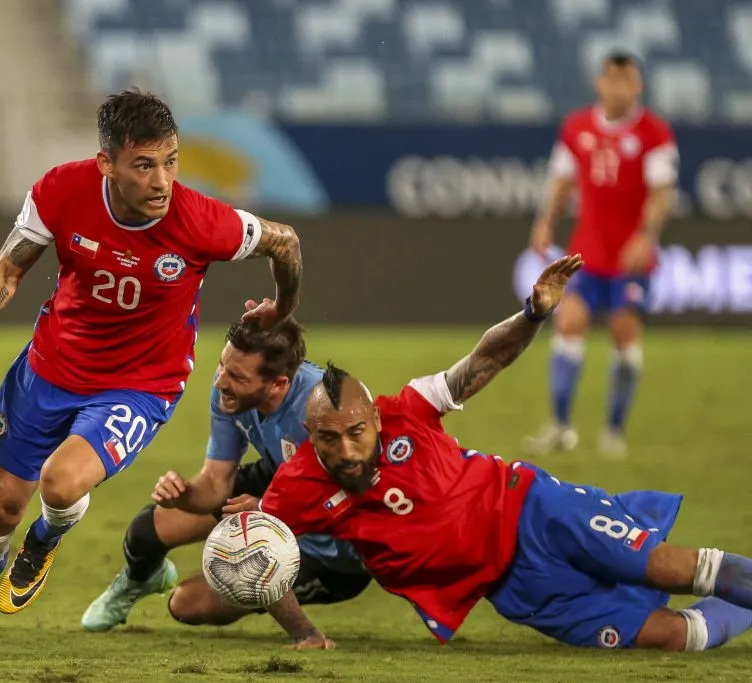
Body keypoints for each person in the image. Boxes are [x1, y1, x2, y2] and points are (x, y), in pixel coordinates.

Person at [0, 89, 303, 662]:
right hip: (49, 368)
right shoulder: (61, 191)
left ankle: (46, 537)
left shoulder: (202, 221)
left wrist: (282, 307)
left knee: (61, 483)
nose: (161, 180)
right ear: (106, 164)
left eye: (170, 161)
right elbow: (8, 267)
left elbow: (284, 241)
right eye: (143, 165)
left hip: (140, 385)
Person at [251, 254, 752, 652]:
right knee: (672, 637)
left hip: (534, 507)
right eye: (328, 439)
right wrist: (302, 631)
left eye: (355, 432)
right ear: (309, 435)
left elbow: (483, 361)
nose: (345, 449)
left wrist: (533, 314)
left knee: (669, 567)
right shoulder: (296, 485)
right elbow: (261, 561)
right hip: (511, 583)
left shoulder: (409, 408)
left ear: (376, 420)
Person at [81, 319, 368, 646]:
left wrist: (267, 510)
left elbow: (356, 498)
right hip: (278, 478)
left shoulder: (327, 410)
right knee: (150, 529)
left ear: (278, 384)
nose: (220, 382)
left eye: (236, 377)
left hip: (336, 544)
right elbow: (216, 483)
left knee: (185, 604)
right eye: (222, 367)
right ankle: (137, 581)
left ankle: (306, 633)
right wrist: (184, 496)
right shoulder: (232, 395)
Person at [526, 51, 678, 457]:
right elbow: (561, 182)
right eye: (612, 79)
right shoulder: (576, 128)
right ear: (600, 83)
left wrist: (646, 236)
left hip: (631, 259)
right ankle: (560, 425)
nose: (618, 88)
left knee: (623, 332)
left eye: (626, 80)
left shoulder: (655, 134)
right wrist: (545, 222)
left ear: (638, 86)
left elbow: (662, 195)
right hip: (587, 253)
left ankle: (613, 430)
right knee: (569, 323)